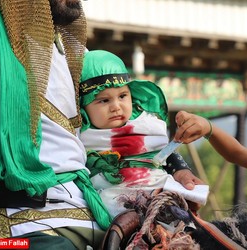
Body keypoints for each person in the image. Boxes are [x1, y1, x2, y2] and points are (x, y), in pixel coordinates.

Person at [0, 2, 201, 248]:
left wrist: (178, 167)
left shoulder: (75, 53)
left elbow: (135, 130)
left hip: (95, 214)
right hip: (17, 222)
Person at [79, 50, 204, 217]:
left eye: (122, 96)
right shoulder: (77, 135)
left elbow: (164, 153)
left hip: (159, 186)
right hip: (110, 196)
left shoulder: (146, 123)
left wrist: (181, 170)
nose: (116, 106)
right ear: (83, 106)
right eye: (104, 100)